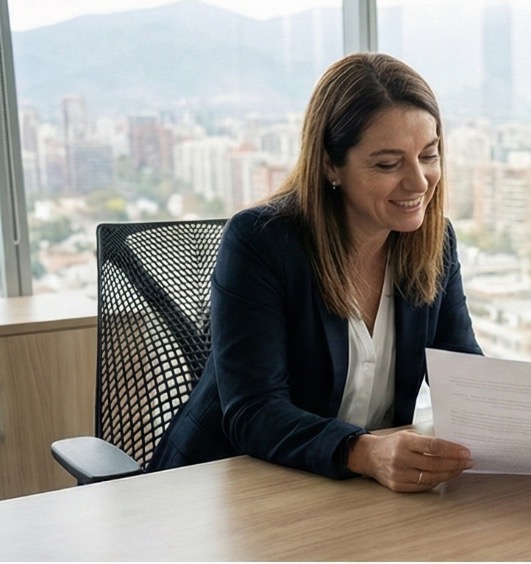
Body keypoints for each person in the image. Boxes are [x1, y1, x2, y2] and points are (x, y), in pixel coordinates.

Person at [149, 53, 481, 492]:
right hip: (223, 488)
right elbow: (254, 411)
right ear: (330, 164)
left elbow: (468, 382)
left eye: (429, 155)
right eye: (388, 163)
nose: (419, 182)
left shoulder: (434, 244)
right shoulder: (262, 242)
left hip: (349, 496)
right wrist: (366, 452)